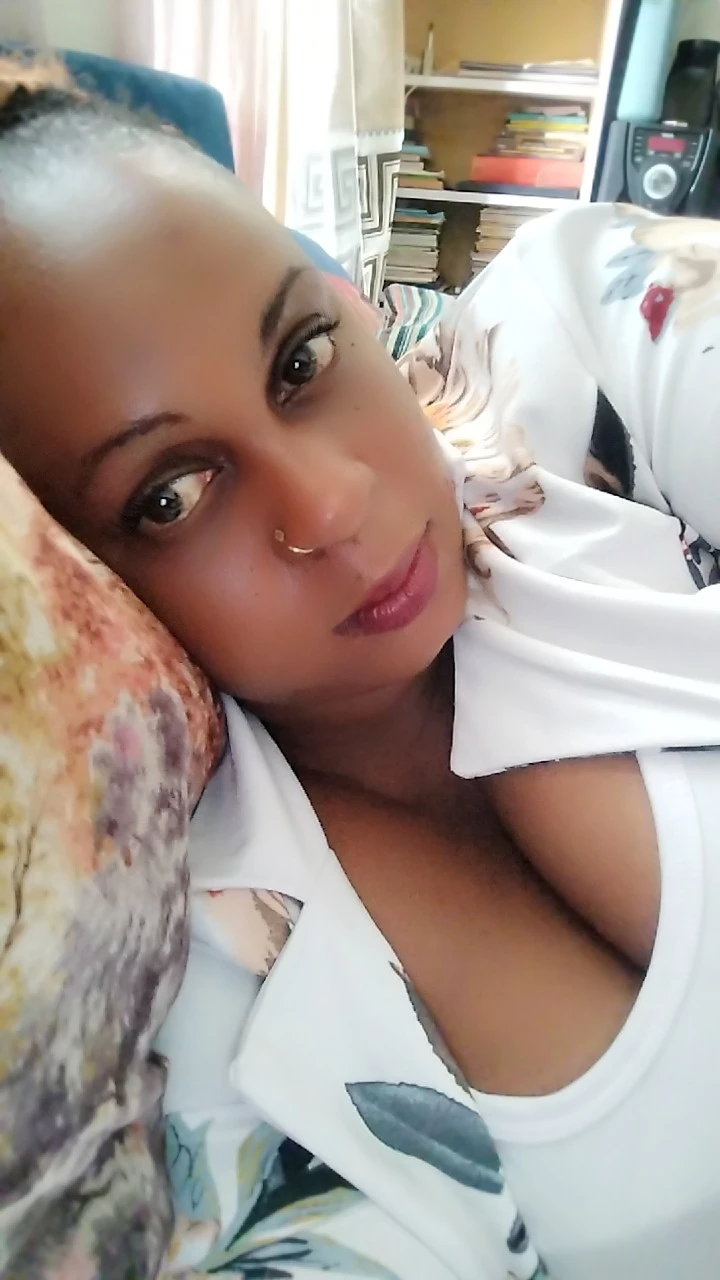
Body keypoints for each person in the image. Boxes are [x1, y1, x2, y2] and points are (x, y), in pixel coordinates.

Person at [1, 59, 720, 1280]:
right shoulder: (197, 1021)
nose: (331, 504)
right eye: (171, 494)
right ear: (67, 582)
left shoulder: (580, 351)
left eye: (300, 360)